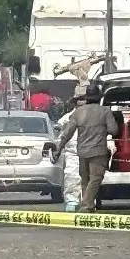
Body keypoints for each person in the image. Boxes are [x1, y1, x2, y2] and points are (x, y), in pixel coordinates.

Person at [53, 84, 117, 213]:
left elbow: (67, 133)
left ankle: (88, 206)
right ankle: (87, 205)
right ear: (99, 98)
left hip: (82, 151)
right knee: (96, 178)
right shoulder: (105, 111)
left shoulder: (77, 112)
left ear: (86, 98)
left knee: (85, 180)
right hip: (98, 151)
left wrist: (59, 149)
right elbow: (113, 130)